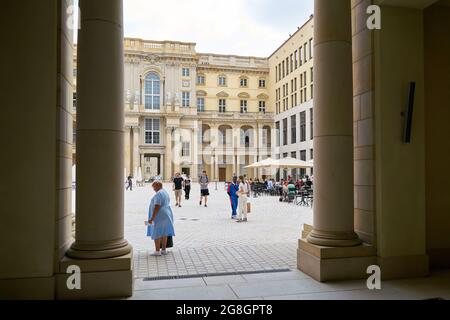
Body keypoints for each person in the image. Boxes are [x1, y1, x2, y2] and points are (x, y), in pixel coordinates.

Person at [146, 181, 175, 256]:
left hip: (159, 216)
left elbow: (157, 206)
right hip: (166, 214)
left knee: (157, 233)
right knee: (164, 232)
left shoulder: (158, 194)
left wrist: (152, 218)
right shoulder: (164, 192)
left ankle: (157, 251)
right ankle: (164, 250)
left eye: (154, 187)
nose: (153, 189)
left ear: (157, 186)